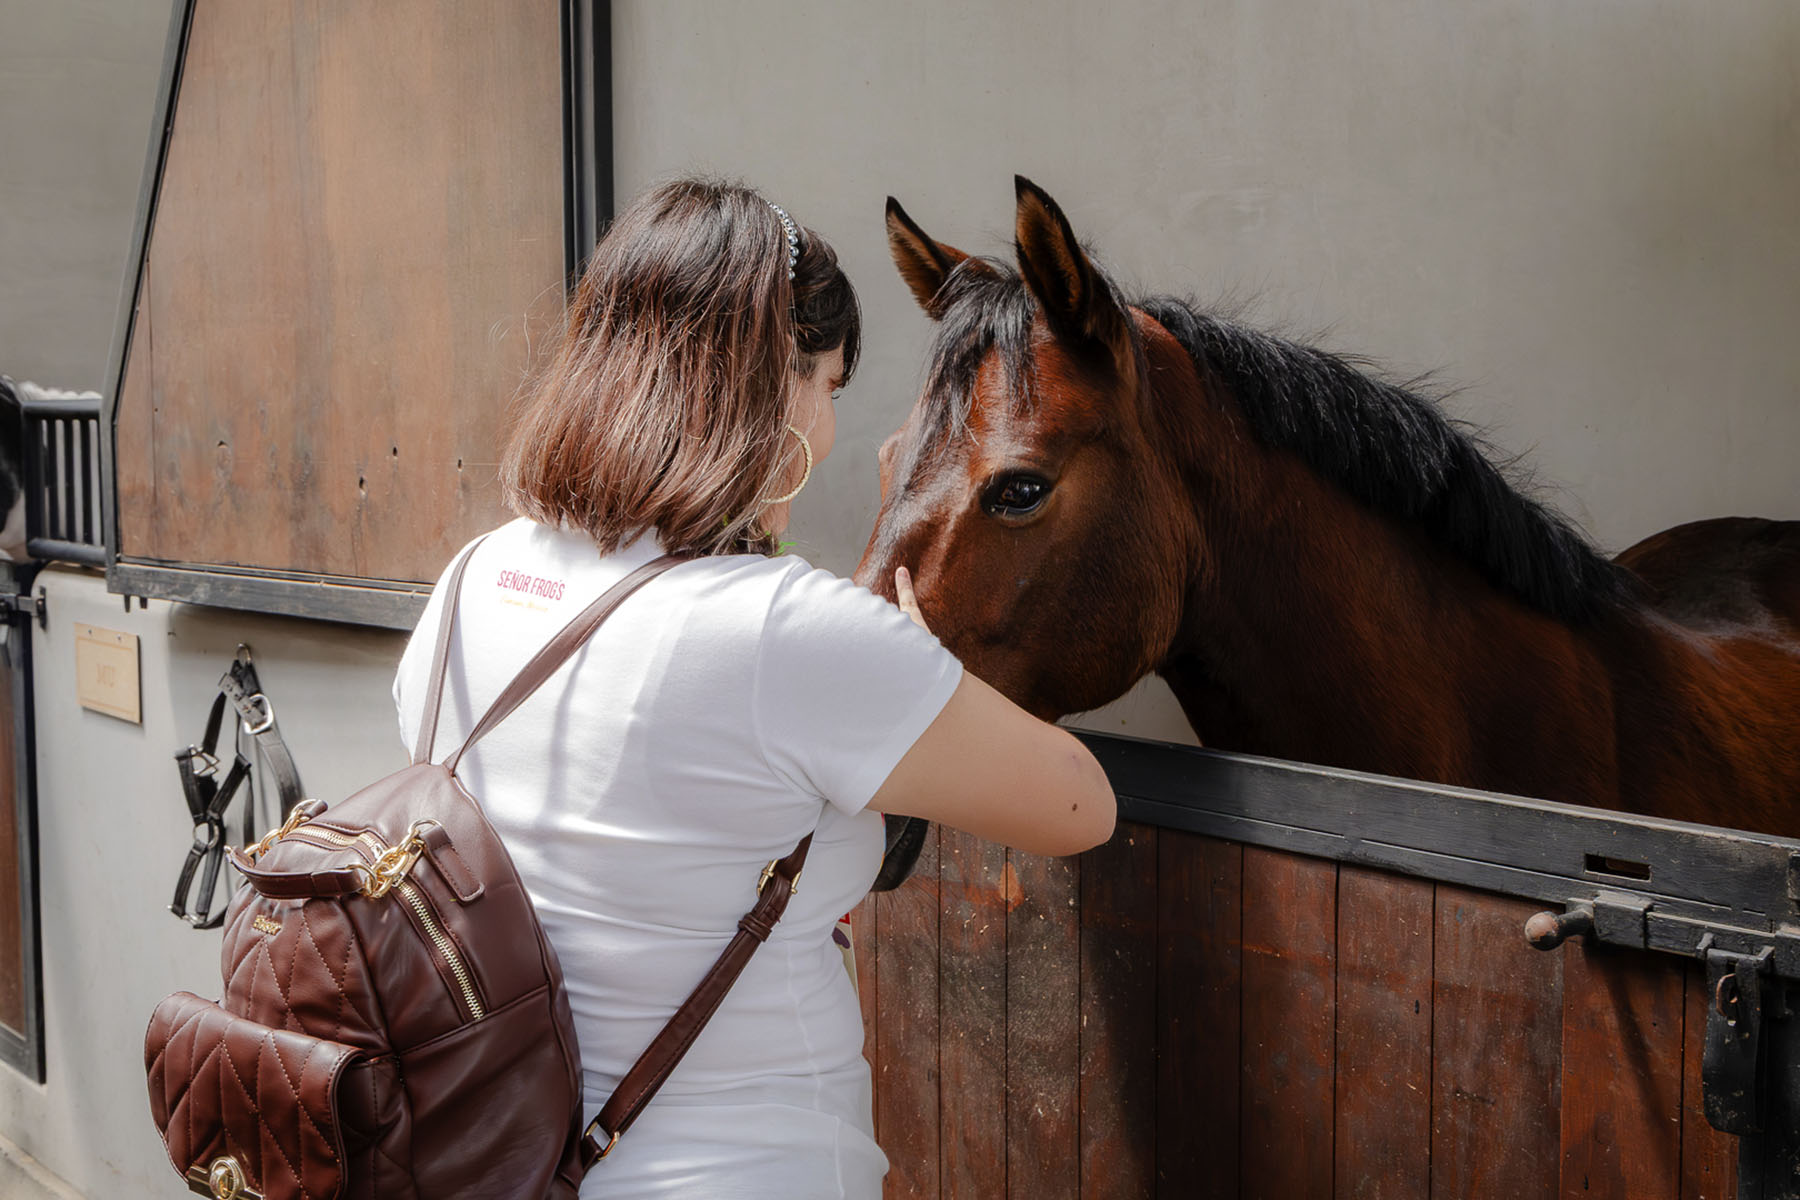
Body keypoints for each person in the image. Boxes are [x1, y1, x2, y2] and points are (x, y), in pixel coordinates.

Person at [392, 178, 1116, 1199]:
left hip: (497, 1162)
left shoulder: (471, 579)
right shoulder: (789, 630)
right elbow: (1081, 804)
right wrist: (919, 670)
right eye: (826, 382)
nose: (825, 425)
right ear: (770, 382)